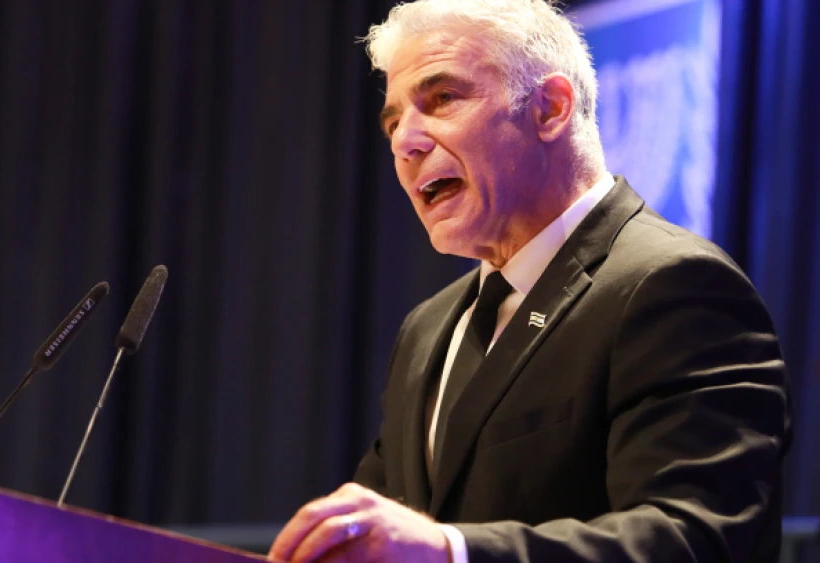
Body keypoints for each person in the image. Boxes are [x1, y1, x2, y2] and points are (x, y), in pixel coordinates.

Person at [268, 0, 793, 562]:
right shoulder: (428, 329)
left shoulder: (670, 286)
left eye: (441, 99)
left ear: (550, 108)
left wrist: (452, 553)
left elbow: (697, 539)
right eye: (394, 121)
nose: (405, 142)